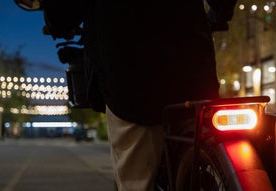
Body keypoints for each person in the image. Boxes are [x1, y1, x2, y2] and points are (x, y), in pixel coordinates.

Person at [82, 1, 237, 190]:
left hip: (132, 76)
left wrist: (60, 23)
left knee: (136, 179)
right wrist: (221, 12)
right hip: (193, 69)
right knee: (199, 138)